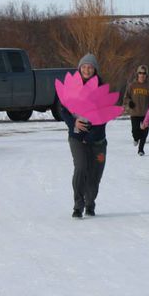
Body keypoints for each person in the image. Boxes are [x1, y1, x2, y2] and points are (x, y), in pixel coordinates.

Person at [60, 54, 108, 218]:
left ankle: (90, 203)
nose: (87, 69)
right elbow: (64, 110)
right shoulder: (72, 86)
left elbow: (104, 116)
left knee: (95, 174)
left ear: (95, 70)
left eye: (90, 67)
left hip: (97, 140)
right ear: (79, 68)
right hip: (77, 137)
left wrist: (92, 133)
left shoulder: (102, 87)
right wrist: (73, 124)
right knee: (81, 168)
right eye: (84, 66)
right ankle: (78, 205)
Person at [123, 64, 149, 156]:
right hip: (135, 113)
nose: (142, 75)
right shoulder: (132, 85)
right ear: (137, 74)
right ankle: (136, 138)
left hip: (146, 113)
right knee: (135, 132)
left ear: (146, 75)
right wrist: (129, 102)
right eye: (140, 73)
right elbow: (126, 97)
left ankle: (141, 149)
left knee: (144, 132)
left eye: (144, 73)